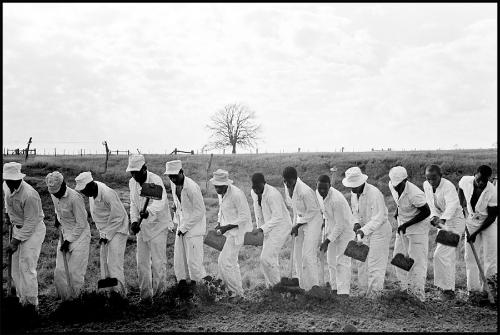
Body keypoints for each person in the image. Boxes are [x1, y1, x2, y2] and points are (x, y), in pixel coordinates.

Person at [75, 171, 129, 298]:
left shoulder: (107, 193)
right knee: (104, 260)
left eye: (84, 191)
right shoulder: (92, 191)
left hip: (118, 229)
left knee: (114, 262)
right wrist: (103, 235)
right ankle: (110, 293)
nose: (83, 194)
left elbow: (119, 217)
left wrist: (107, 236)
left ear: (91, 185)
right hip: (105, 230)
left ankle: (120, 295)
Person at [127, 154, 173, 304]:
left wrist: (149, 211)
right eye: (132, 173)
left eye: (137, 172)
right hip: (143, 228)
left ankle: (160, 297)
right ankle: (145, 297)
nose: (134, 176)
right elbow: (133, 204)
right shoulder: (132, 183)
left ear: (145, 168)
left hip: (158, 226)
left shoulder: (155, 180)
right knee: (142, 263)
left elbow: (161, 202)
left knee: (158, 263)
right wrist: (134, 221)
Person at [3, 162, 46, 316]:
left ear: (19, 179)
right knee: (15, 268)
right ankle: (22, 301)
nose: (9, 183)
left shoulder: (30, 194)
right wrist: (7, 213)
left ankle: (32, 306)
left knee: (27, 266)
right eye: (7, 180)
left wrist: (15, 241)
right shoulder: (6, 186)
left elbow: (30, 223)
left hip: (33, 230)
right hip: (17, 227)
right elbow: (7, 200)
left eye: (12, 180)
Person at [342, 166, 391, 298]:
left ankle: (374, 298)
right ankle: (363, 294)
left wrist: (363, 230)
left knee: (375, 265)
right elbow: (355, 212)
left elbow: (378, 218)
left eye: (354, 185)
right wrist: (356, 222)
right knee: (361, 263)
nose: (352, 188)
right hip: (363, 231)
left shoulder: (374, 194)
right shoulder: (354, 193)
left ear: (362, 182)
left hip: (379, 231)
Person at [46, 171, 91, 301]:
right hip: (64, 233)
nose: (55, 195)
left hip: (80, 236)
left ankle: (76, 301)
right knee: (60, 272)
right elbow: (57, 207)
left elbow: (82, 223)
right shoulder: (54, 193)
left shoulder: (75, 198)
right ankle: (65, 301)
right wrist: (56, 217)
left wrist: (69, 240)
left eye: (57, 192)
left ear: (64, 185)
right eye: (53, 193)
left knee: (74, 273)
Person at [388, 166, 431, 302]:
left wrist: (406, 225)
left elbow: (426, 212)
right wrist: (397, 211)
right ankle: (405, 291)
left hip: (418, 228)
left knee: (417, 262)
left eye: (398, 185)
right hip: (403, 225)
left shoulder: (415, 193)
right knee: (398, 258)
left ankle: (418, 297)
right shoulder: (392, 185)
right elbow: (399, 201)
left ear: (405, 180)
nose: (395, 188)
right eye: (394, 185)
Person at [423, 164, 465, 301]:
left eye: (434, 178)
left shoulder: (448, 186)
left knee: (442, 255)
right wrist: (433, 216)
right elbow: (430, 203)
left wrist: (442, 219)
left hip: (454, 222)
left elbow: (452, 205)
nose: (431, 181)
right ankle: (444, 289)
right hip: (442, 222)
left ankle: (448, 291)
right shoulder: (426, 185)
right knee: (441, 256)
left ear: (440, 175)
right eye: (428, 178)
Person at [211, 169, 252, 299]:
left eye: (219, 186)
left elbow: (244, 216)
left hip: (237, 232)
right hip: (227, 232)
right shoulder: (221, 193)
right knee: (232, 263)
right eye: (215, 186)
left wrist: (227, 227)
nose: (217, 188)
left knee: (224, 262)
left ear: (226, 184)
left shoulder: (237, 194)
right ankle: (239, 293)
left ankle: (234, 294)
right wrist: (219, 223)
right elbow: (221, 210)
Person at [165, 160, 208, 285]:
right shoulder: (174, 185)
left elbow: (200, 211)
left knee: (195, 264)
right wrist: (176, 206)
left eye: (175, 176)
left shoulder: (192, 187)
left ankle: (211, 287)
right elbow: (180, 202)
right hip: (181, 225)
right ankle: (185, 286)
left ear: (181, 172)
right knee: (180, 260)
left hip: (194, 229)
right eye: (170, 177)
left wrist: (184, 228)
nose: (173, 179)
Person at [458, 165, 497, 302]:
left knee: (490, 257)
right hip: (471, 220)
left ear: (489, 179)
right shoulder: (465, 181)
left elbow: (492, 216)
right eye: (479, 179)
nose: (481, 183)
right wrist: (461, 204)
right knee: (470, 257)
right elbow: (460, 188)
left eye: (484, 181)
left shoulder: (493, 191)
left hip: (488, 222)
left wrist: (476, 233)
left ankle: (489, 291)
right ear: (475, 174)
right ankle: (473, 292)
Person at [282, 166, 323, 292]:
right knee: (297, 254)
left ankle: (314, 286)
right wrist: (295, 224)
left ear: (295, 179)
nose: (287, 184)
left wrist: (298, 225)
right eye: (285, 181)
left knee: (308, 254)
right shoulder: (287, 186)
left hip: (313, 221)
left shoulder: (305, 191)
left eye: (289, 181)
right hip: (299, 218)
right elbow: (294, 207)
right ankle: (302, 285)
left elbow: (313, 212)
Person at [250, 173, 292, 288]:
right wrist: (260, 231)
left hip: (281, 226)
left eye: (259, 187)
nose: (257, 190)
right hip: (267, 227)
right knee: (268, 258)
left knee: (267, 257)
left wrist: (261, 229)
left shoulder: (272, 194)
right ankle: (272, 286)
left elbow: (278, 217)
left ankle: (276, 286)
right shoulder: (254, 192)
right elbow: (258, 212)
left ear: (264, 183)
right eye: (254, 187)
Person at [316, 175, 354, 296]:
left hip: (345, 231)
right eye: (319, 188)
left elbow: (340, 225)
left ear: (330, 187)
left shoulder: (336, 200)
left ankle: (343, 294)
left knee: (342, 262)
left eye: (324, 189)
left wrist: (327, 241)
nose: (321, 191)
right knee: (331, 261)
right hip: (332, 229)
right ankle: (334, 289)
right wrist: (324, 226)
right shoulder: (318, 194)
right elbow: (325, 213)